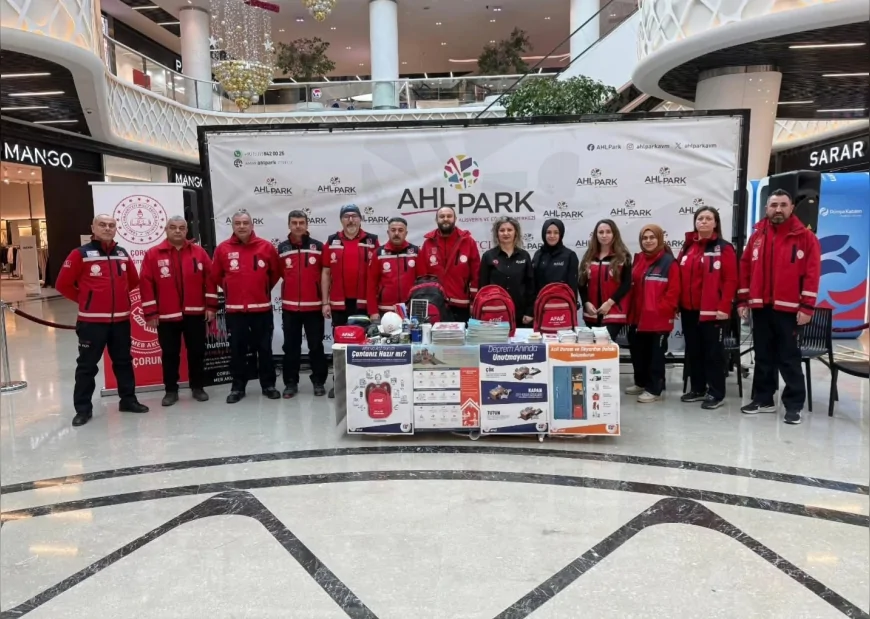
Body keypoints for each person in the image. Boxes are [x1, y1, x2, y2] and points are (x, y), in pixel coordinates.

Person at [56, 214, 149, 426]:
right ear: (93, 228)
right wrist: (86, 301)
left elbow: (133, 281)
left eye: (111, 225)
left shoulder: (122, 254)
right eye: (102, 225)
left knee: (124, 362)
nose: (107, 228)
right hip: (92, 323)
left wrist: (122, 299)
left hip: (121, 322)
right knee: (87, 366)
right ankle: (82, 409)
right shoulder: (79, 254)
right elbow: (63, 284)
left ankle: (128, 401)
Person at [738, 189, 821, 425]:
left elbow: (812, 275)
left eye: (783, 205)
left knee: (788, 358)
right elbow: (745, 270)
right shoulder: (756, 237)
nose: (778, 210)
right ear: (766, 208)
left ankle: (794, 405)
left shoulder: (806, 238)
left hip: (791, 311)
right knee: (763, 356)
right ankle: (763, 399)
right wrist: (744, 300)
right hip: (761, 307)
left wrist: (807, 308)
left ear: (792, 207)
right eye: (774, 205)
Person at [140, 216, 218, 407]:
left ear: (186, 231)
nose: (177, 231)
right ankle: (171, 390)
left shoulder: (199, 253)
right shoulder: (153, 254)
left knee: (197, 351)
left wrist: (211, 306)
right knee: (169, 353)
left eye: (181, 228)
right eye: (173, 227)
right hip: (166, 316)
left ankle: (198, 387)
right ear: (166, 230)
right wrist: (150, 313)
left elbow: (210, 280)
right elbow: (146, 284)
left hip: (196, 313)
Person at [211, 209, 282, 404]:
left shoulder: (266, 247)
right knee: (237, 350)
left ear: (252, 225)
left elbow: (275, 273)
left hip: (262, 309)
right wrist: (229, 288)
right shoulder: (223, 249)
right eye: (237, 223)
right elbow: (216, 275)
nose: (241, 226)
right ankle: (237, 387)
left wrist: (262, 289)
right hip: (235, 310)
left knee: (265, 349)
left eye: (245, 223)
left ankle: (268, 385)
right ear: (232, 226)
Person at [676, 207, 738, 410]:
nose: (703, 221)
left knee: (713, 354)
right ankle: (698, 388)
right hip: (688, 310)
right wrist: (677, 303)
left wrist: (724, 306)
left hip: (714, 312)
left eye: (708, 218)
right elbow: (678, 278)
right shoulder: (687, 247)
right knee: (694, 351)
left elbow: (730, 280)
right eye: (700, 218)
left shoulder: (725, 248)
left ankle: (716, 393)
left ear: (715, 223)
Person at [322, 204, 379, 398]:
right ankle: (338, 383)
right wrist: (325, 302)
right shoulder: (332, 241)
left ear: (361, 219)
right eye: (346, 216)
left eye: (354, 216)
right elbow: (326, 272)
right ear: (341, 220)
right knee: (340, 345)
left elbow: (378, 274)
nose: (351, 220)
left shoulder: (372, 241)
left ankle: (363, 383)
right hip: (339, 303)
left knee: (364, 344)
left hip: (363, 304)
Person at [626, 224, 681, 403]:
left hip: (658, 319)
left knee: (655, 356)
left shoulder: (668, 262)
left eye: (652, 237)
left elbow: (673, 292)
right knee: (638, 352)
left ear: (659, 238)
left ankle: (654, 389)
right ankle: (641, 383)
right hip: (638, 317)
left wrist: (659, 309)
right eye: (644, 238)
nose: (648, 241)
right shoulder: (639, 259)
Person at [277, 209, 328, 398]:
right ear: (289, 225)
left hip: (314, 307)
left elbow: (325, 275)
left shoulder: (318, 247)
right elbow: (281, 273)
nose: (298, 226)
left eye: (301, 222)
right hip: (290, 308)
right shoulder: (282, 248)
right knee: (291, 347)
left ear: (307, 225)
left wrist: (323, 301)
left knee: (316, 346)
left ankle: (319, 382)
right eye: (294, 222)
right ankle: (290, 383)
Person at [419, 206, 480, 323]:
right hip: (435, 303)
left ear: (455, 218)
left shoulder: (468, 241)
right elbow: (423, 277)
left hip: (462, 304)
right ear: (437, 220)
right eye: (442, 216)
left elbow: (476, 274)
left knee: (461, 340)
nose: (445, 219)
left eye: (449, 216)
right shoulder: (428, 243)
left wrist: (474, 302)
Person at [578, 219, 632, 339]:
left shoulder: (623, 256)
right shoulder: (589, 256)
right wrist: (586, 302)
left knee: (604, 345)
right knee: (594, 349)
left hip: (613, 311)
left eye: (608, 232)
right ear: (596, 235)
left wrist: (609, 303)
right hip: (592, 313)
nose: (604, 235)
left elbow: (626, 284)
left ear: (614, 234)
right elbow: (581, 284)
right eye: (600, 232)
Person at [478, 217, 535, 327]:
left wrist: (529, 312)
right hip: (495, 311)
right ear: (497, 234)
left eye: (509, 230)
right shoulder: (488, 256)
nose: (506, 233)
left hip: (520, 313)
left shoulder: (524, 255)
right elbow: (483, 287)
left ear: (516, 233)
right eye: (502, 230)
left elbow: (530, 287)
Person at [367, 217, 425, 318]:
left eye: (400, 230)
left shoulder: (416, 252)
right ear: (388, 232)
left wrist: (421, 310)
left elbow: (423, 284)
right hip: (385, 311)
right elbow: (371, 284)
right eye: (393, 230)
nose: (397, 233)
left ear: (406, 233)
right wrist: (373, 312)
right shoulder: (378, 253)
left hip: (411, 310)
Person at [532, 218, 579, 299]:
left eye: (556, 232)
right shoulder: (538, 254)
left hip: (562, 304)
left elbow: (573, 287)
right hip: (540, 305)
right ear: (544, 234)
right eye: (548, 232)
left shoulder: (570, 255)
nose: (552, 236)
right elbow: (532, 284)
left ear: (561, 234)